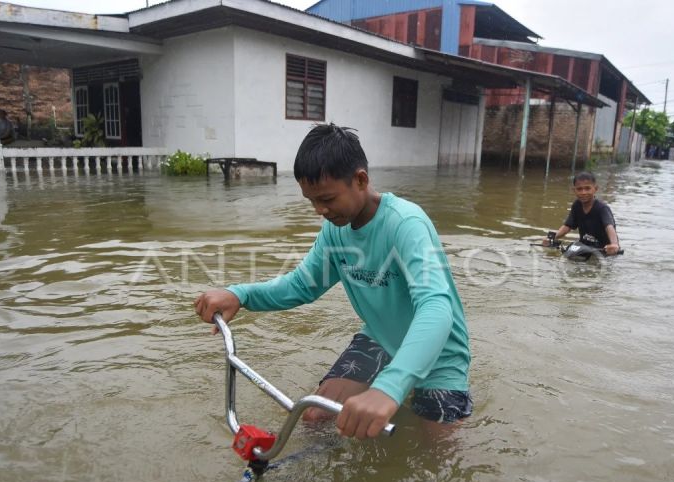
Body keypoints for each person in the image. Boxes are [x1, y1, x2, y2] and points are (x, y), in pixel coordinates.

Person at [194, 124, 472, 440]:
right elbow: (301, 285)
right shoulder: (335, 231)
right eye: (311, 201)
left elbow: (436, 307)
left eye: (327, 199)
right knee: (315, 416)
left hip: (439, 353)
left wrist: (389, 388)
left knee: (437, 457)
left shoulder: (406, 224)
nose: (320, 211)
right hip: (380, 338)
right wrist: (239, 295)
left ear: (361, 180)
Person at [542, 171, 620, 255]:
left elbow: (609, 226)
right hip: (584, 246)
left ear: (595, 189)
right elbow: (567, 226)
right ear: (574, 190)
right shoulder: (576, 205)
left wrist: (614, 244)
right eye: (579, 189)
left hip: (604, 249)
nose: (583, 192)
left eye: (587, 188)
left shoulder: (602, 208)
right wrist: (552, 238)